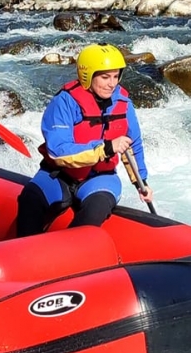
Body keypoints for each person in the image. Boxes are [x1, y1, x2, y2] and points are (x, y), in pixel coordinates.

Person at [16, 44, 152, 236]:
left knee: (95, 210)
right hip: (59, 175)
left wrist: (141, 182)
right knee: (30, 200)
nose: (112, 84)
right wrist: (106, 148)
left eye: (116, 76)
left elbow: (133, 146)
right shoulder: (64, 102)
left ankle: (70, 250)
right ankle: (26, 248)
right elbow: (58, 151)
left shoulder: (124, 104)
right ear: (88, 75)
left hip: (100, 178)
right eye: (105, 77)